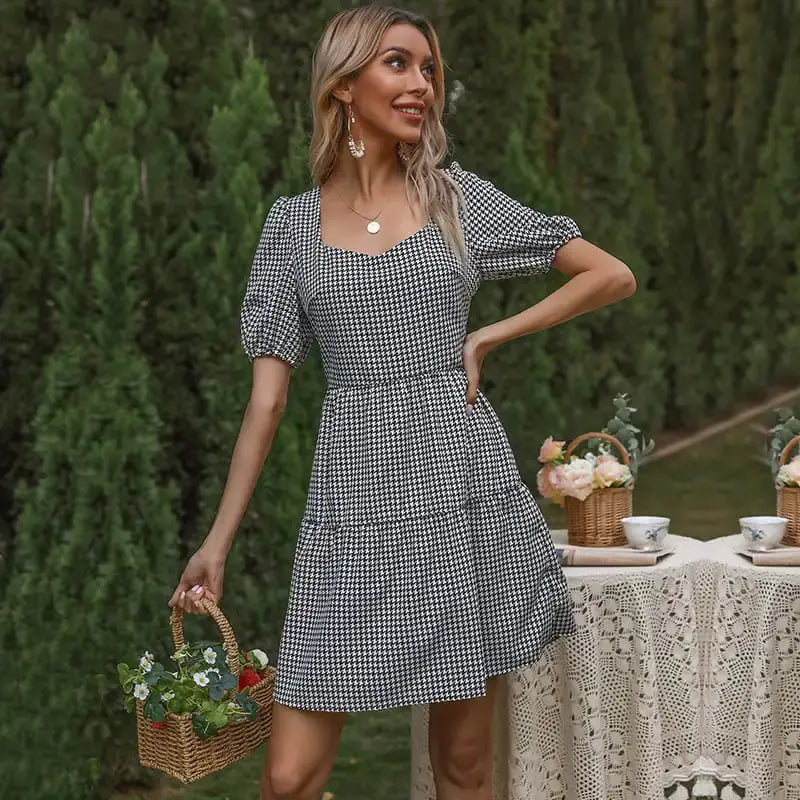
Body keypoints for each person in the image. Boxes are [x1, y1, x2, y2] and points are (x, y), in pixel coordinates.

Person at [168, 3, 636, 798]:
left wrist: (489, 335)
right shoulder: (290, 228)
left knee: (462, 766)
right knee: (289, 777)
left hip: (458, 485)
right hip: (351, 502)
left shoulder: (455, 200)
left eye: (428, 69)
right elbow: (267, 404)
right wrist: (217, 543)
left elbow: (609, 274)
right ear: (343, 85)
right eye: (398, 63)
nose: (421, 83)